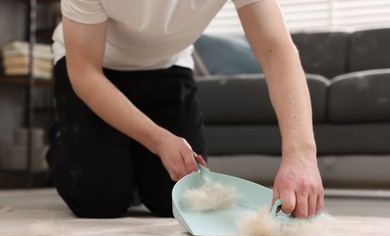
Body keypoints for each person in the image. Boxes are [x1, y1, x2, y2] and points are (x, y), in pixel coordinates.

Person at [47, 0, 324, 219]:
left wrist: (301, 156)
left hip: (168, 67)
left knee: (176, 200)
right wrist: (158, 140)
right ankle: (63, 143)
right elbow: (85, 73)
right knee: (100, 200)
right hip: (95, 69)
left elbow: (276, 50)